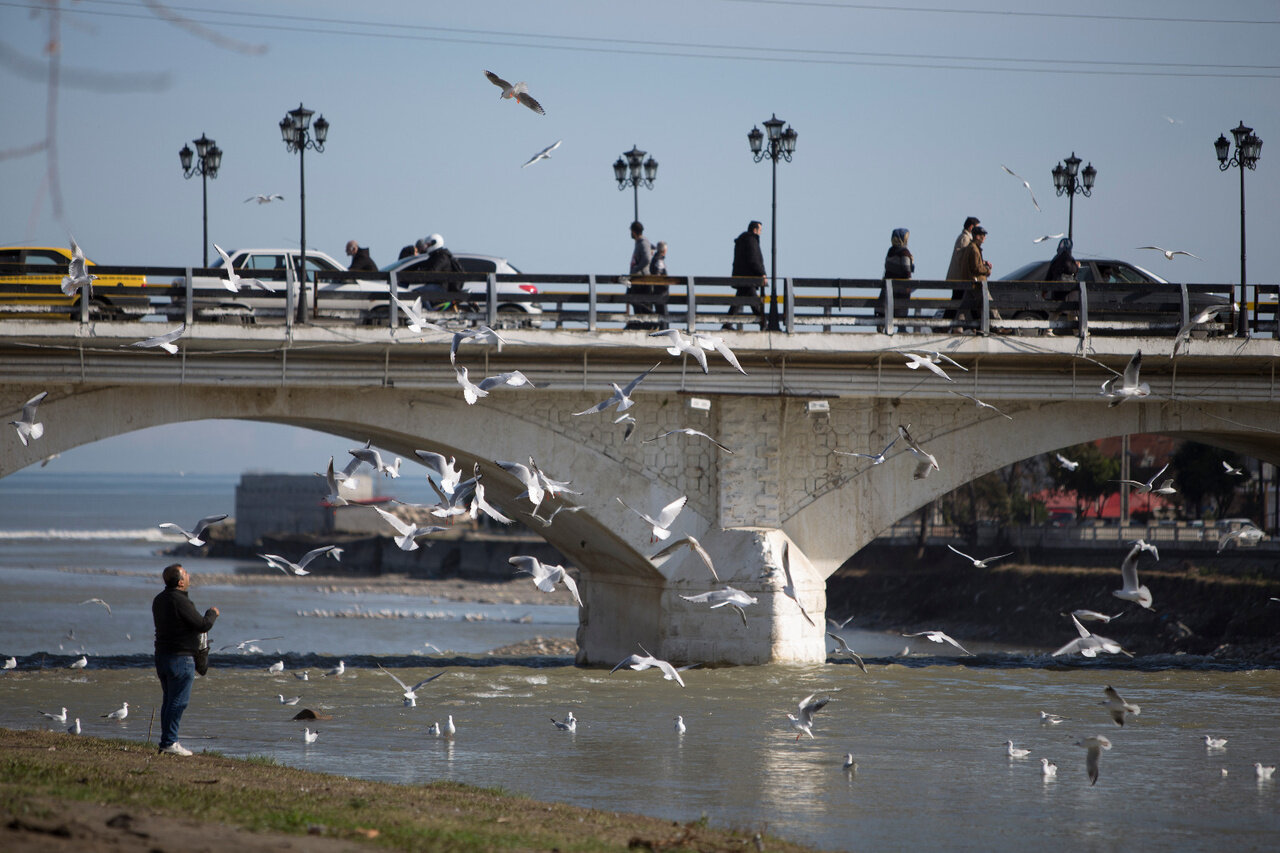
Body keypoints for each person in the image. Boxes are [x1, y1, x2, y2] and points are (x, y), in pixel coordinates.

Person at [152, 563, 218, 756]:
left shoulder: (159, 599)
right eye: (186, 573)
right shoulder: (179, 600)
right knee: (178, 702)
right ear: (180, 582)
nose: (189, 575)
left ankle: (166, 741)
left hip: (162, 656)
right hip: (180, 658)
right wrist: (212, 613)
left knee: (169, 701)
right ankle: (169, 742)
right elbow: (202, 625)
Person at [727, 220, 766, 330]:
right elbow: (753, 260)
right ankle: (764, 324)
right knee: (754, 302)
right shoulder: (751, 240)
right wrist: (762, 273)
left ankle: (727, 324)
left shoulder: (742, 240)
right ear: (755, 230)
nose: (761, 232)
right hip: (749, 278)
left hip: (741, 276)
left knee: (738, 301)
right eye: (760, 230)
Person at [956, 225, 996, 327]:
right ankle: (998, 325)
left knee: (965, 307)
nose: (985, 237)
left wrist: (983, 263)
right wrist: (987, 270)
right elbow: (976, 268)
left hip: (971, 282)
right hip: (977, 282)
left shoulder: (972, 247)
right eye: (983, 235)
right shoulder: (974, 249)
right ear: (978, 236)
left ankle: (958, 327)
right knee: (989, 303)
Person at [626, 222, 657, 329]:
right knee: (633, 300)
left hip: (642, 280)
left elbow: (647, 259)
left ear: (633, 231)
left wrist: (636, 269)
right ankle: (640, 323)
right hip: (637, 279)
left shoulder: (643, 243)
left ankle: (648, 323)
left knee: (641, 302)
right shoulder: (639, 243)